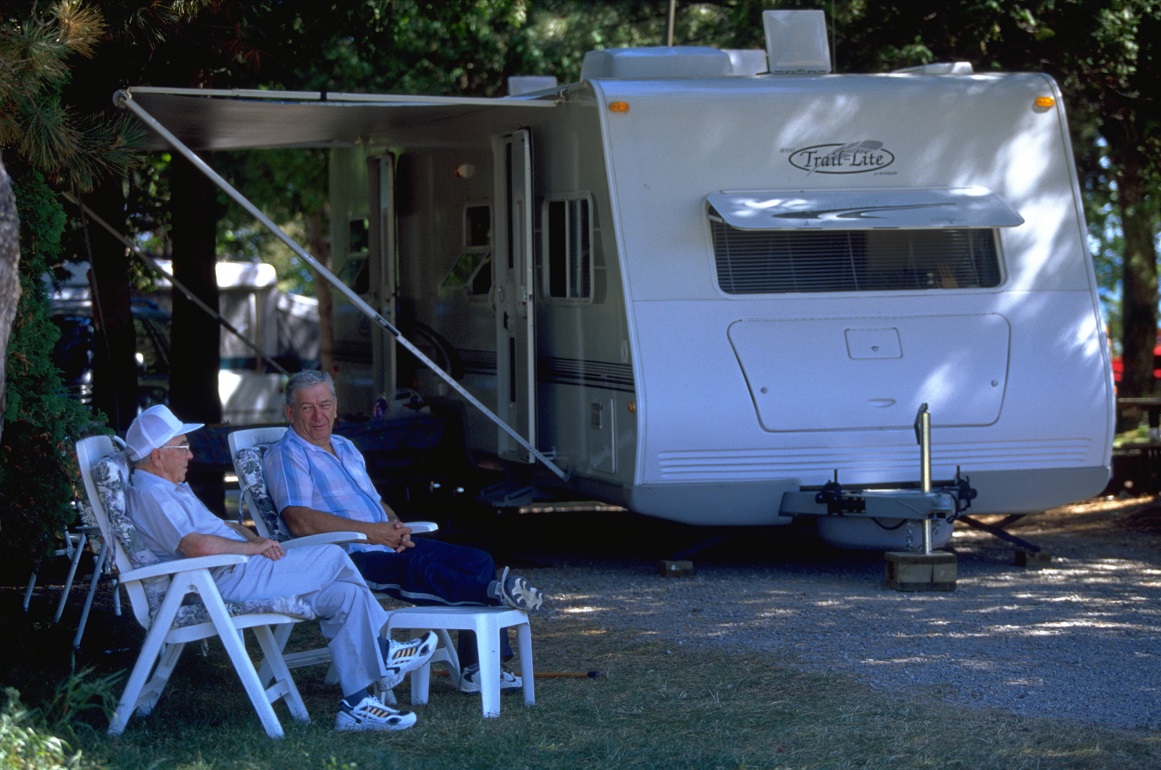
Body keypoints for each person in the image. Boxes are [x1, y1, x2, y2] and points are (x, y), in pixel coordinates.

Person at [124, 404, 437, 732]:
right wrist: (252, 547)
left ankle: (356, 707)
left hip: (234, 570)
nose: (190, 454)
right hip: (215, 582)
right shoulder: (151, 495)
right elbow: (196, 547)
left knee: (343, 594)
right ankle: (383, 651)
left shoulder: (168, 488)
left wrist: (250, 537)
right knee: (330, 555)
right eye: (183, 446)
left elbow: (218, 528)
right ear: (158, 455)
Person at [263, 370, 544, 694]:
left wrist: (396, 528)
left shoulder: (345, 446)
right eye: (307, 408)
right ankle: (496, 592)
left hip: (382, 542)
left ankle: (477, 669)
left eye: (324, 405)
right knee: (417, 569)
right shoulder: (287, 454)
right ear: (290, 412)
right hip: (345, 557)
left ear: (336, 407)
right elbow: (300, 520)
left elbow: (373, 501)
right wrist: (373, 534)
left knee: (477, 560)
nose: (318, 416)